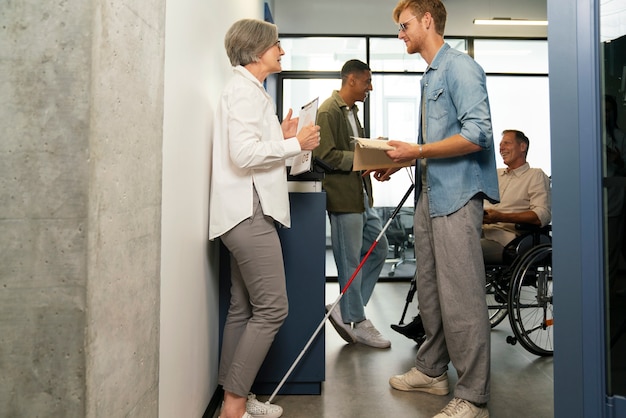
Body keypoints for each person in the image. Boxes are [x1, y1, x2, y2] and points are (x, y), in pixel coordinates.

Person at [372, 1, 500, 417]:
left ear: (427, 21)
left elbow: (478, 134)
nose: (400, 34)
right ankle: (431, 370)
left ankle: (474, 396)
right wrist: (404, 159)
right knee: (430, 292)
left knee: (461, 298)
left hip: (458, 198)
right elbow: (435, 143)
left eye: (404, 25)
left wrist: (420, 150)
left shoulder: (461, 68)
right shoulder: (430, 77)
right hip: (431, 197)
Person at [208, 18, 320, 418]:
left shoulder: (251, 92)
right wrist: (293, 143)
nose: (282, 51)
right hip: (248, 213)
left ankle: (232, 396)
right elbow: (243, 156)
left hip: (247, 210)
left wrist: (284, 136)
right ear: (257, 52)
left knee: (244, 309)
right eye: (276, 45)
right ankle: (234, 407)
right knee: (273, 308)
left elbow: (259, 151)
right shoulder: (242, 92)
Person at [393, 129, 551, 341]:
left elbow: (542, 215)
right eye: (500, 144)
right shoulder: (495, 175)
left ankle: (431, 325)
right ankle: (430, 320)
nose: (501, 147)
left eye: (507, 143)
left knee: (449, 256)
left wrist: (498, 216)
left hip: (508, 240)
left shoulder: (535, 175)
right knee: (434, 250)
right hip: (478, 232)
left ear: (523, 146)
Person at [313, 59, 391, 349]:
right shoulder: (328, 111)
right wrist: (362, 158)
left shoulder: (352, 112)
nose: (370, 87)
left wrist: (371, 149)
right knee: (349, 262)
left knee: (378, 249)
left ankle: (344, 307)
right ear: (351, 80)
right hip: (343, 199)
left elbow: (351, 148)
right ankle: (355, 320)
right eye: (367, 81)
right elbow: (326, 155)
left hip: (361, 196)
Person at [604, 95, 626, 294]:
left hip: (613, 201)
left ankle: (607, 294)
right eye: (602, 109)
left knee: (610, 251)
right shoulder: (590, 134)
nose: (605, 114)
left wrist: (617, 160)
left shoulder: (620, 137)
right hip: (593, 202)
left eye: (609, 110)